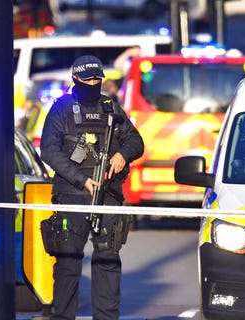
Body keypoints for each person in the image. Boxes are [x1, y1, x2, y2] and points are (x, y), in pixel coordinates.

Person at [40, 55, 144, 320]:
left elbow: (136, 141)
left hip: (107, 195)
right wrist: (81, 179)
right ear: (76, 78)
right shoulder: (62, 108)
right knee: (68, 264)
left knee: (108, 260)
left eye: (98, 79)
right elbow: (49, 150)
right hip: (72, 196)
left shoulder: (110, 106)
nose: (94, 83)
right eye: (88, 79)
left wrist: (122, 155)